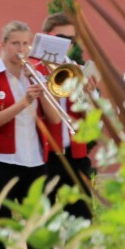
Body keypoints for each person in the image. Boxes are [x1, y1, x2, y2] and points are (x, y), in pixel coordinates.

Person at [0, 21, 62, 249]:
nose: (21, 49)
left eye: (25, 43)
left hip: (34, 163)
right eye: (15, 43)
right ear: (3, 45)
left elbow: (55, 119)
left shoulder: (36, 75)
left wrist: (43, 92)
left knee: (40, 234)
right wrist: (24, 102)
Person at [39, 12, 93, 219]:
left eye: (71, 40)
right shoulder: (33, 69)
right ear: (46, 36)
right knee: (42, 220)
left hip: (75, 153)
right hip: (44, 155)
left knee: (82, 216)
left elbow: (89, 117)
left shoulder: (78, 70)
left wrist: (89, 96)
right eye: (62, 39)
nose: (67, 45)